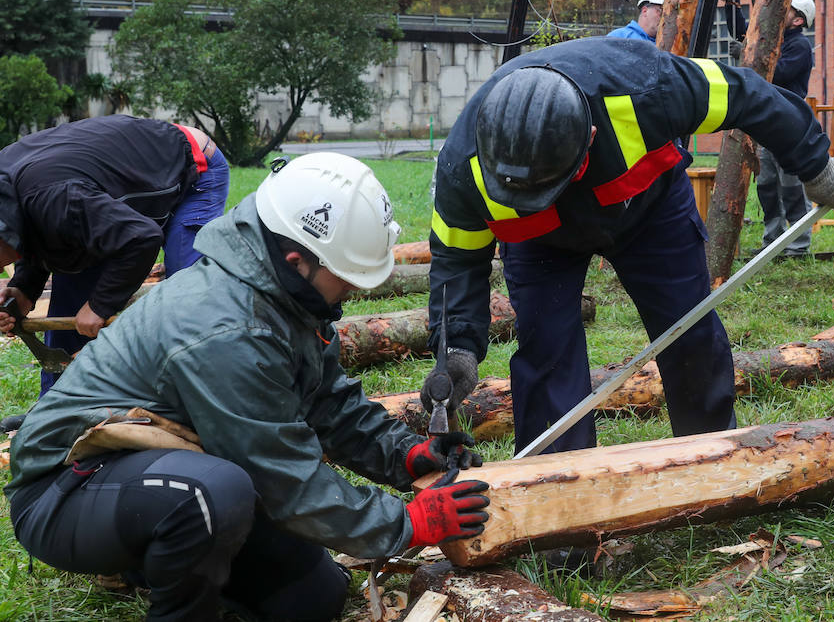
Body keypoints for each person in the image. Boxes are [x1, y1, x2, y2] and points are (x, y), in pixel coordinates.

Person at [4, 153, 490, 622]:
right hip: (64, 490)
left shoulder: (286, 293)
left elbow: (327, 400)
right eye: (346, 279)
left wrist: (403, 457)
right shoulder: (227, 327)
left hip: (159, 468)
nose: (353, 292)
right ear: (299, 259)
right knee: (214, 492)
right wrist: (407, 524)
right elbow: (282, 474)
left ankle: (150, 555)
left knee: (313, 600)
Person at [424, 38, 834, 455]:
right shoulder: (464, 167)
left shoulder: (647, 87)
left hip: (648, 211)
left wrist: (816, 166)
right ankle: (556, 489)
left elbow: (748, 95)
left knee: (689, 332)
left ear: (590, 140)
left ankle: (711, 459)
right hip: (538, 239)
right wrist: (457, 346)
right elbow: (455, 261)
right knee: (546, 355)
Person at [0, 115, 230, 401]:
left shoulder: (59, 200)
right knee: (69, 305)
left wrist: (100, 304)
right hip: (96, 194)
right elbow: (37, 229)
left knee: (185, 300)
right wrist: (24, 287)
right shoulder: (12, 192)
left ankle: (200, 401)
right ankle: (56, 410)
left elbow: (141, 239)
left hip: (191, 165)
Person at [755, 0, 817, 259]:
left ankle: (799, 244)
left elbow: (778, 74)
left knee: (790, 185)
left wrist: (753, 59)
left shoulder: (799, 46)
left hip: (788, 122)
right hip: (767, 119)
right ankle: (773, 239)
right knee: (766, 184)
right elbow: (749, 29)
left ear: (798, 21)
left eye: (788, 9)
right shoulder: (774, 39)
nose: (781, 12)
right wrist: (731, 4)